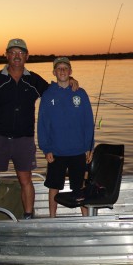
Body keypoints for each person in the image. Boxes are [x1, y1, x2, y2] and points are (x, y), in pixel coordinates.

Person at [0, 38, 79, 219]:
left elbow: (55, 90)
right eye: (13, 52)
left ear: (26, 56)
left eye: (21, 53)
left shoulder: (33, 80)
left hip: (24, 140)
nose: (17, 56)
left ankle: (28, 216)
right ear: (7, 55)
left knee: (25, 180)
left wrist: (70, 79)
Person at [37, 57, 94, 218]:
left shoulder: (80, 93)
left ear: (70, 72)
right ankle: (52, 218)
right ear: (54, 72)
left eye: (65, 68)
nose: (62, 71)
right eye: (59, 68)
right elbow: (42, 124)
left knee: (80, 187)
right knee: (54, 186)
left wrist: (90, 147)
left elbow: (88, 122)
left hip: (78, 150)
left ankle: (86, 218)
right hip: (56, 151)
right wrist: (45, 147)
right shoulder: (48, 95)